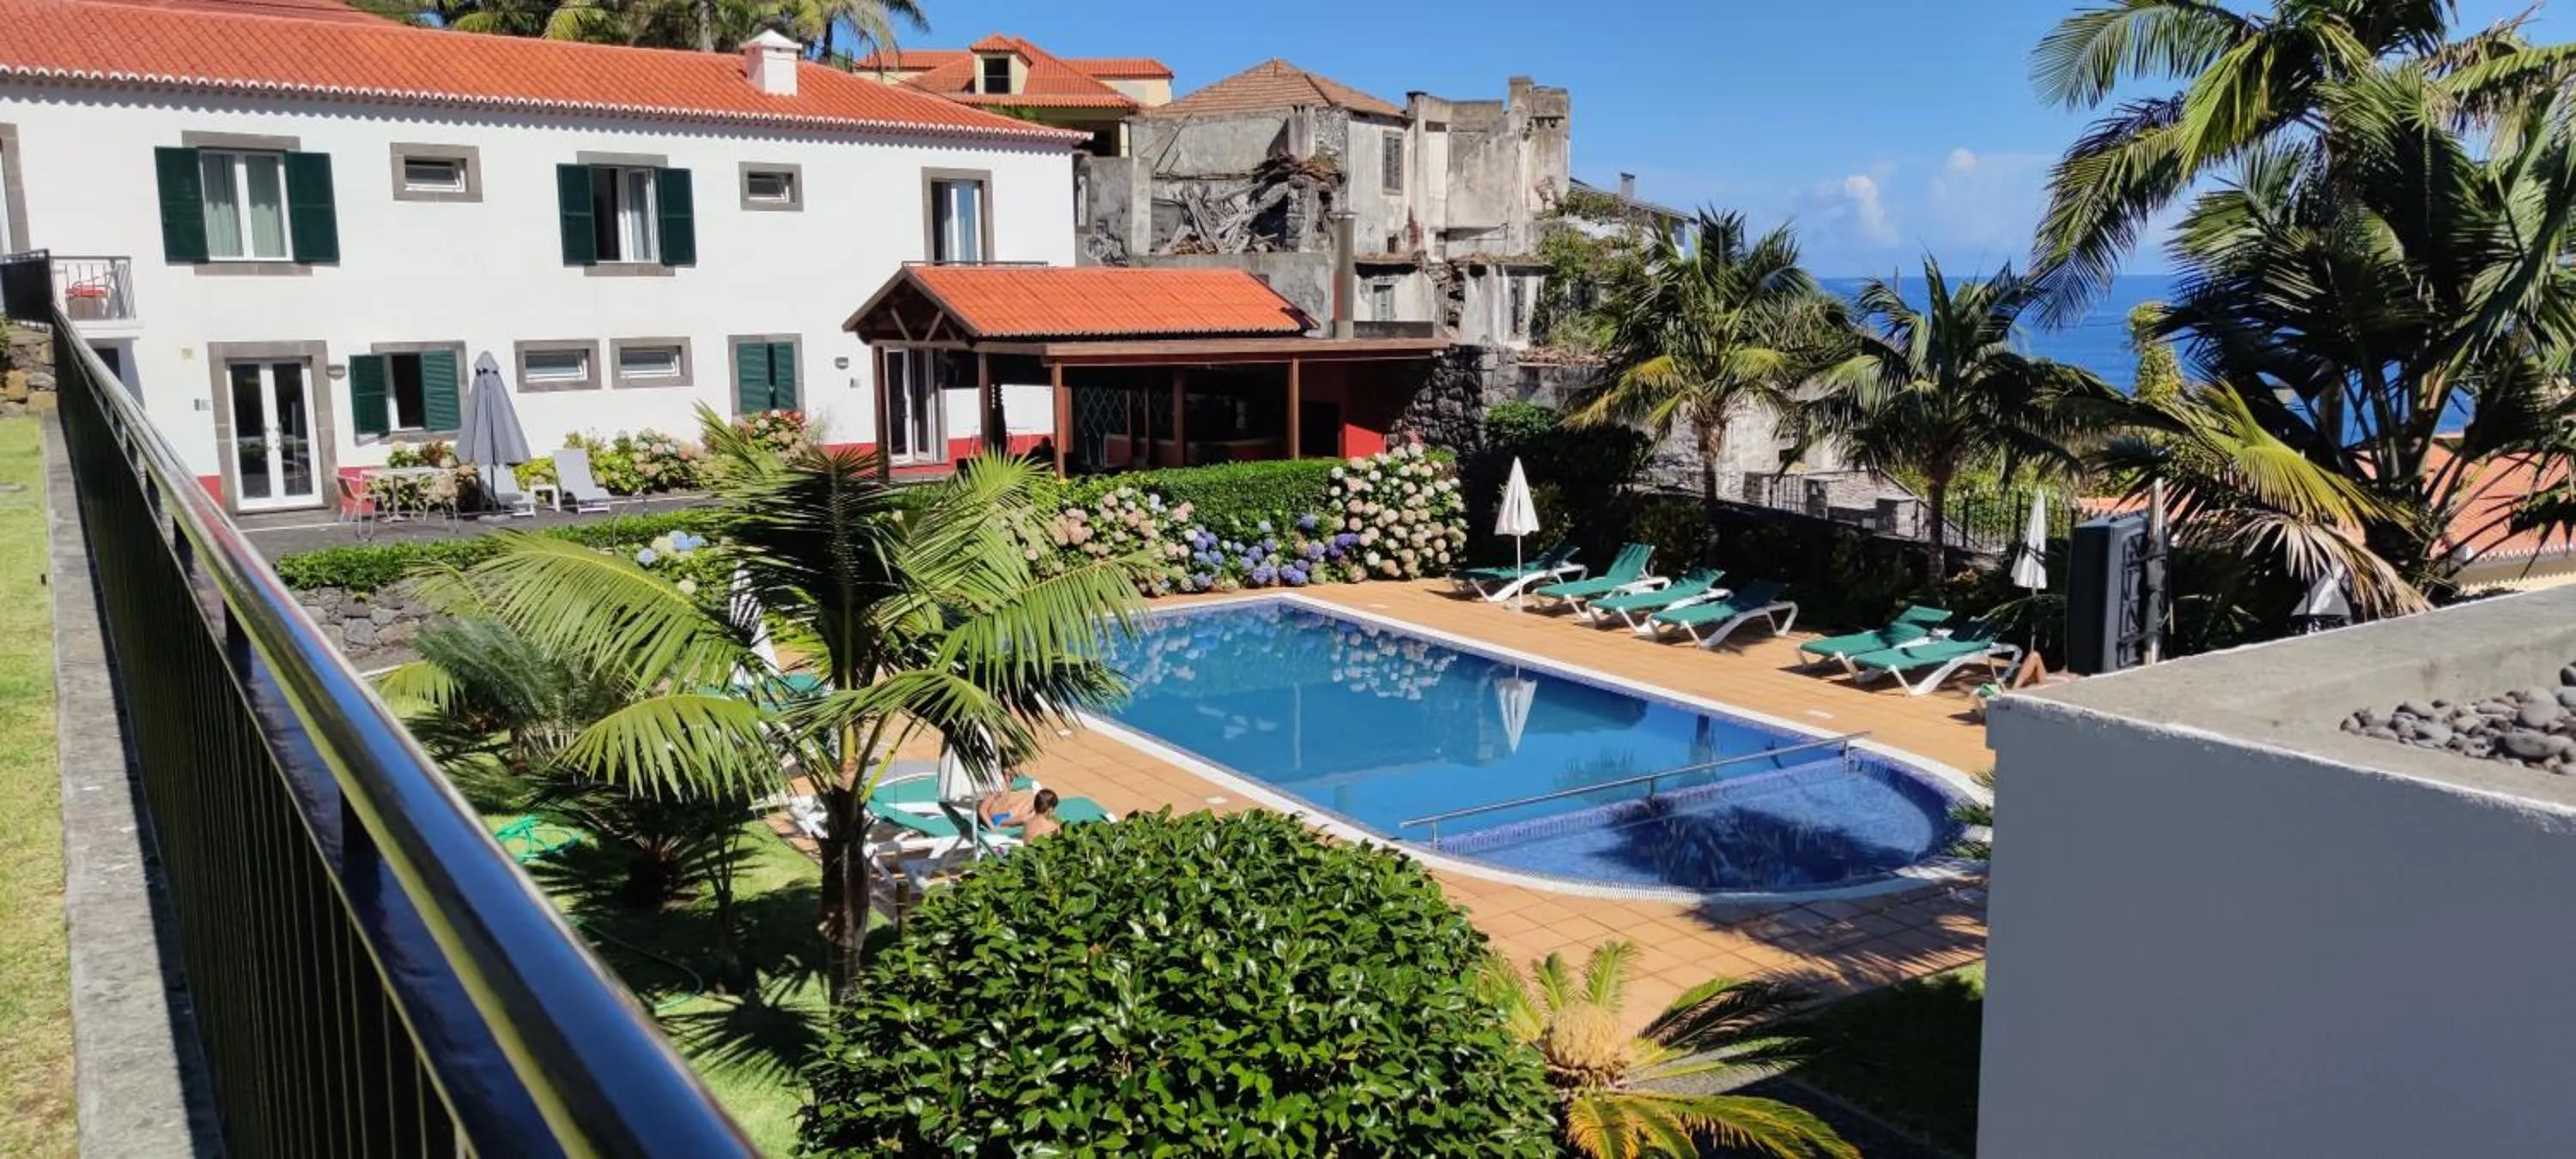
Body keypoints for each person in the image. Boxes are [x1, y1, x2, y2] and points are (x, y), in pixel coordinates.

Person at [975, 786, 1061, 840]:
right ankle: (1043, 811)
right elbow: (982, 809)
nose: (1017, 772)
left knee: (1031, 796)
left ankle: (1042, 809)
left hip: (1006, 815)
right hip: (997, 819)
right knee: (1026, 818)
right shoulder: (996, 788)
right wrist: (992, 827)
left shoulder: (1005, 785)